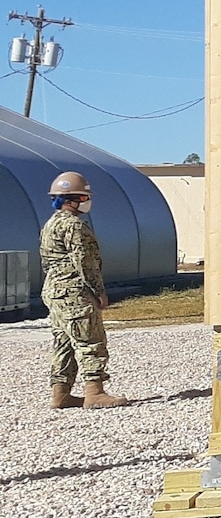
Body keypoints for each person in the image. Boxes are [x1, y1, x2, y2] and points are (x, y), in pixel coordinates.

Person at [41, 171, 127, 410]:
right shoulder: (74, 226)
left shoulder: (51, 224)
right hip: (74, 291)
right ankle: (95, 392)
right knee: (90, 340)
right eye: (83, 196)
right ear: (72, 199)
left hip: (54, 290)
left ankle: (60, 393)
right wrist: (98, 290)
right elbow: (84, 261)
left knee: (64, 342)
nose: (87, 200)